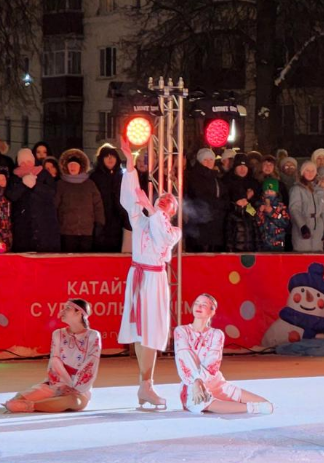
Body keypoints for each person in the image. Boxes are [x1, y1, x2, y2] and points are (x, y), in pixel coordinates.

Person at [118, 136, 182, 409]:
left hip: (155, 279)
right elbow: (129, 201)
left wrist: (152, 208)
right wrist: (130, 165)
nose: (166, 201)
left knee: (153, 331)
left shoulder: (172, 230)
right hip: (138, 276)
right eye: (163, 199)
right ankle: (144, 384)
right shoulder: (142, 221)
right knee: (139, 330)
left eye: (170, 202)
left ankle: (148, 383)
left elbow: (164, 236)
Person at [174, 294, 273, 414]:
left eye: (204, 305)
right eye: (196, 303)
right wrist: (196, 382)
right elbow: (184, 359)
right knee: (203, 402)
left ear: (212, 311)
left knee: (265, 403)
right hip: (191, 385)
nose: (199, 306)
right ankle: (251, 409)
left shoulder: (217, 334)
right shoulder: (181, 331)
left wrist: (200, 381)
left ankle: (248, 405)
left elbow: (212, 364)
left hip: (216, 383)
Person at [3, 299, 101, 413]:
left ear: (78, 313)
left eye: (67, 308)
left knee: (72, 401)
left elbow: (91, 364)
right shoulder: (58, 334)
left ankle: (30, 406)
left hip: (79, 389)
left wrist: (75, 388)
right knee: (17, 399)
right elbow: (55, 360)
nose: (62, 311)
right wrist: (61, 385)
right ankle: (37, 401)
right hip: (57, 383)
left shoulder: (93, 335)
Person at [6, 148, 60, 252]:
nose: (26, 164)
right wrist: (23, 184)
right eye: (23, 162)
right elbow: (11, 195)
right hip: (23, 224)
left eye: (29, 161)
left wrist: (36, 185)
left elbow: (51, 192)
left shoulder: (43, 173)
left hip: (45, 222)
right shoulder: (15, 177)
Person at [55, 149, 104, 252]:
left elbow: (98, 205)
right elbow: (55, 206)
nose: (72, 167)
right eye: (70, 164)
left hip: (87, 231)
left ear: (80, 167)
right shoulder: (61, 184)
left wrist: (99, 223)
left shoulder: (89, 184)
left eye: (75, 164)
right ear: (66, 166)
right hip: (67, 232)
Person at [183, 148, 228, 252]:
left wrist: (221, 205)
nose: (208, 162)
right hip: (199, 227)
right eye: (205, 160)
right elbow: (201, 197)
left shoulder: (217, 177)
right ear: (200, 161)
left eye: (211, 159)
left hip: (215, 226)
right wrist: (219, 204)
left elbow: (225, 197)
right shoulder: (194, 177)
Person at [89, 145, 128, 252]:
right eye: (107, 156)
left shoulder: (123, 176)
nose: (110, 159)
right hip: (100, 220)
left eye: (113, 156)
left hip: (117, 220)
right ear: (101, 159)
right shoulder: (94, 177)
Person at [289, 160, 324, 252]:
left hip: (318, 229)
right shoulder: (297, 189)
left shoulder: (320, 190)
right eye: (307, 170)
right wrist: (302, 226)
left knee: (317, 257)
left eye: (313, 170)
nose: (310, 173)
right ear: (302, 172)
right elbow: (294, 209)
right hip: (303, 229)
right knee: (302, 258)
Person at [223, 154, 261, 252]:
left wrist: (247, 202)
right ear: (234, 167)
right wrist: (242, 200)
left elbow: (254, 213)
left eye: (245, 166)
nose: (242, 169)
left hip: (250, 231)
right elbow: (225, 204)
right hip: (233, 230)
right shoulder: (226, 181)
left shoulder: (254, 183)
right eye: (239, 166)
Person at [257, 178, 290, 251]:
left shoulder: (281, 207)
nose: (269, 193)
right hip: (262, 244)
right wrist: (259, 213)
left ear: (276, 193)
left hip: (277, 244)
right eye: (267, 191)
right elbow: (256, 224)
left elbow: (285, 223)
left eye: (271, 191)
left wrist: (271, 212)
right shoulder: (259, 205)